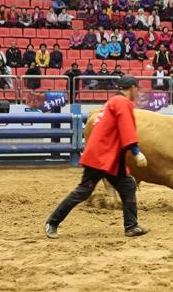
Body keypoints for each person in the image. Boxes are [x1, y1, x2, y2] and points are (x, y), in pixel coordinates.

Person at [45, 75, 149, 239]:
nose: (138, 92)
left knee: (128, 185)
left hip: (107, 155)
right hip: (102, 156)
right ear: (133, 87)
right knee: (83, 191)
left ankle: (131, 226)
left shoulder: (113, 101)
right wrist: (136, 151)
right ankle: (52, 222)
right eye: (137, 88)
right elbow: (126, 128)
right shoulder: (122, 103)